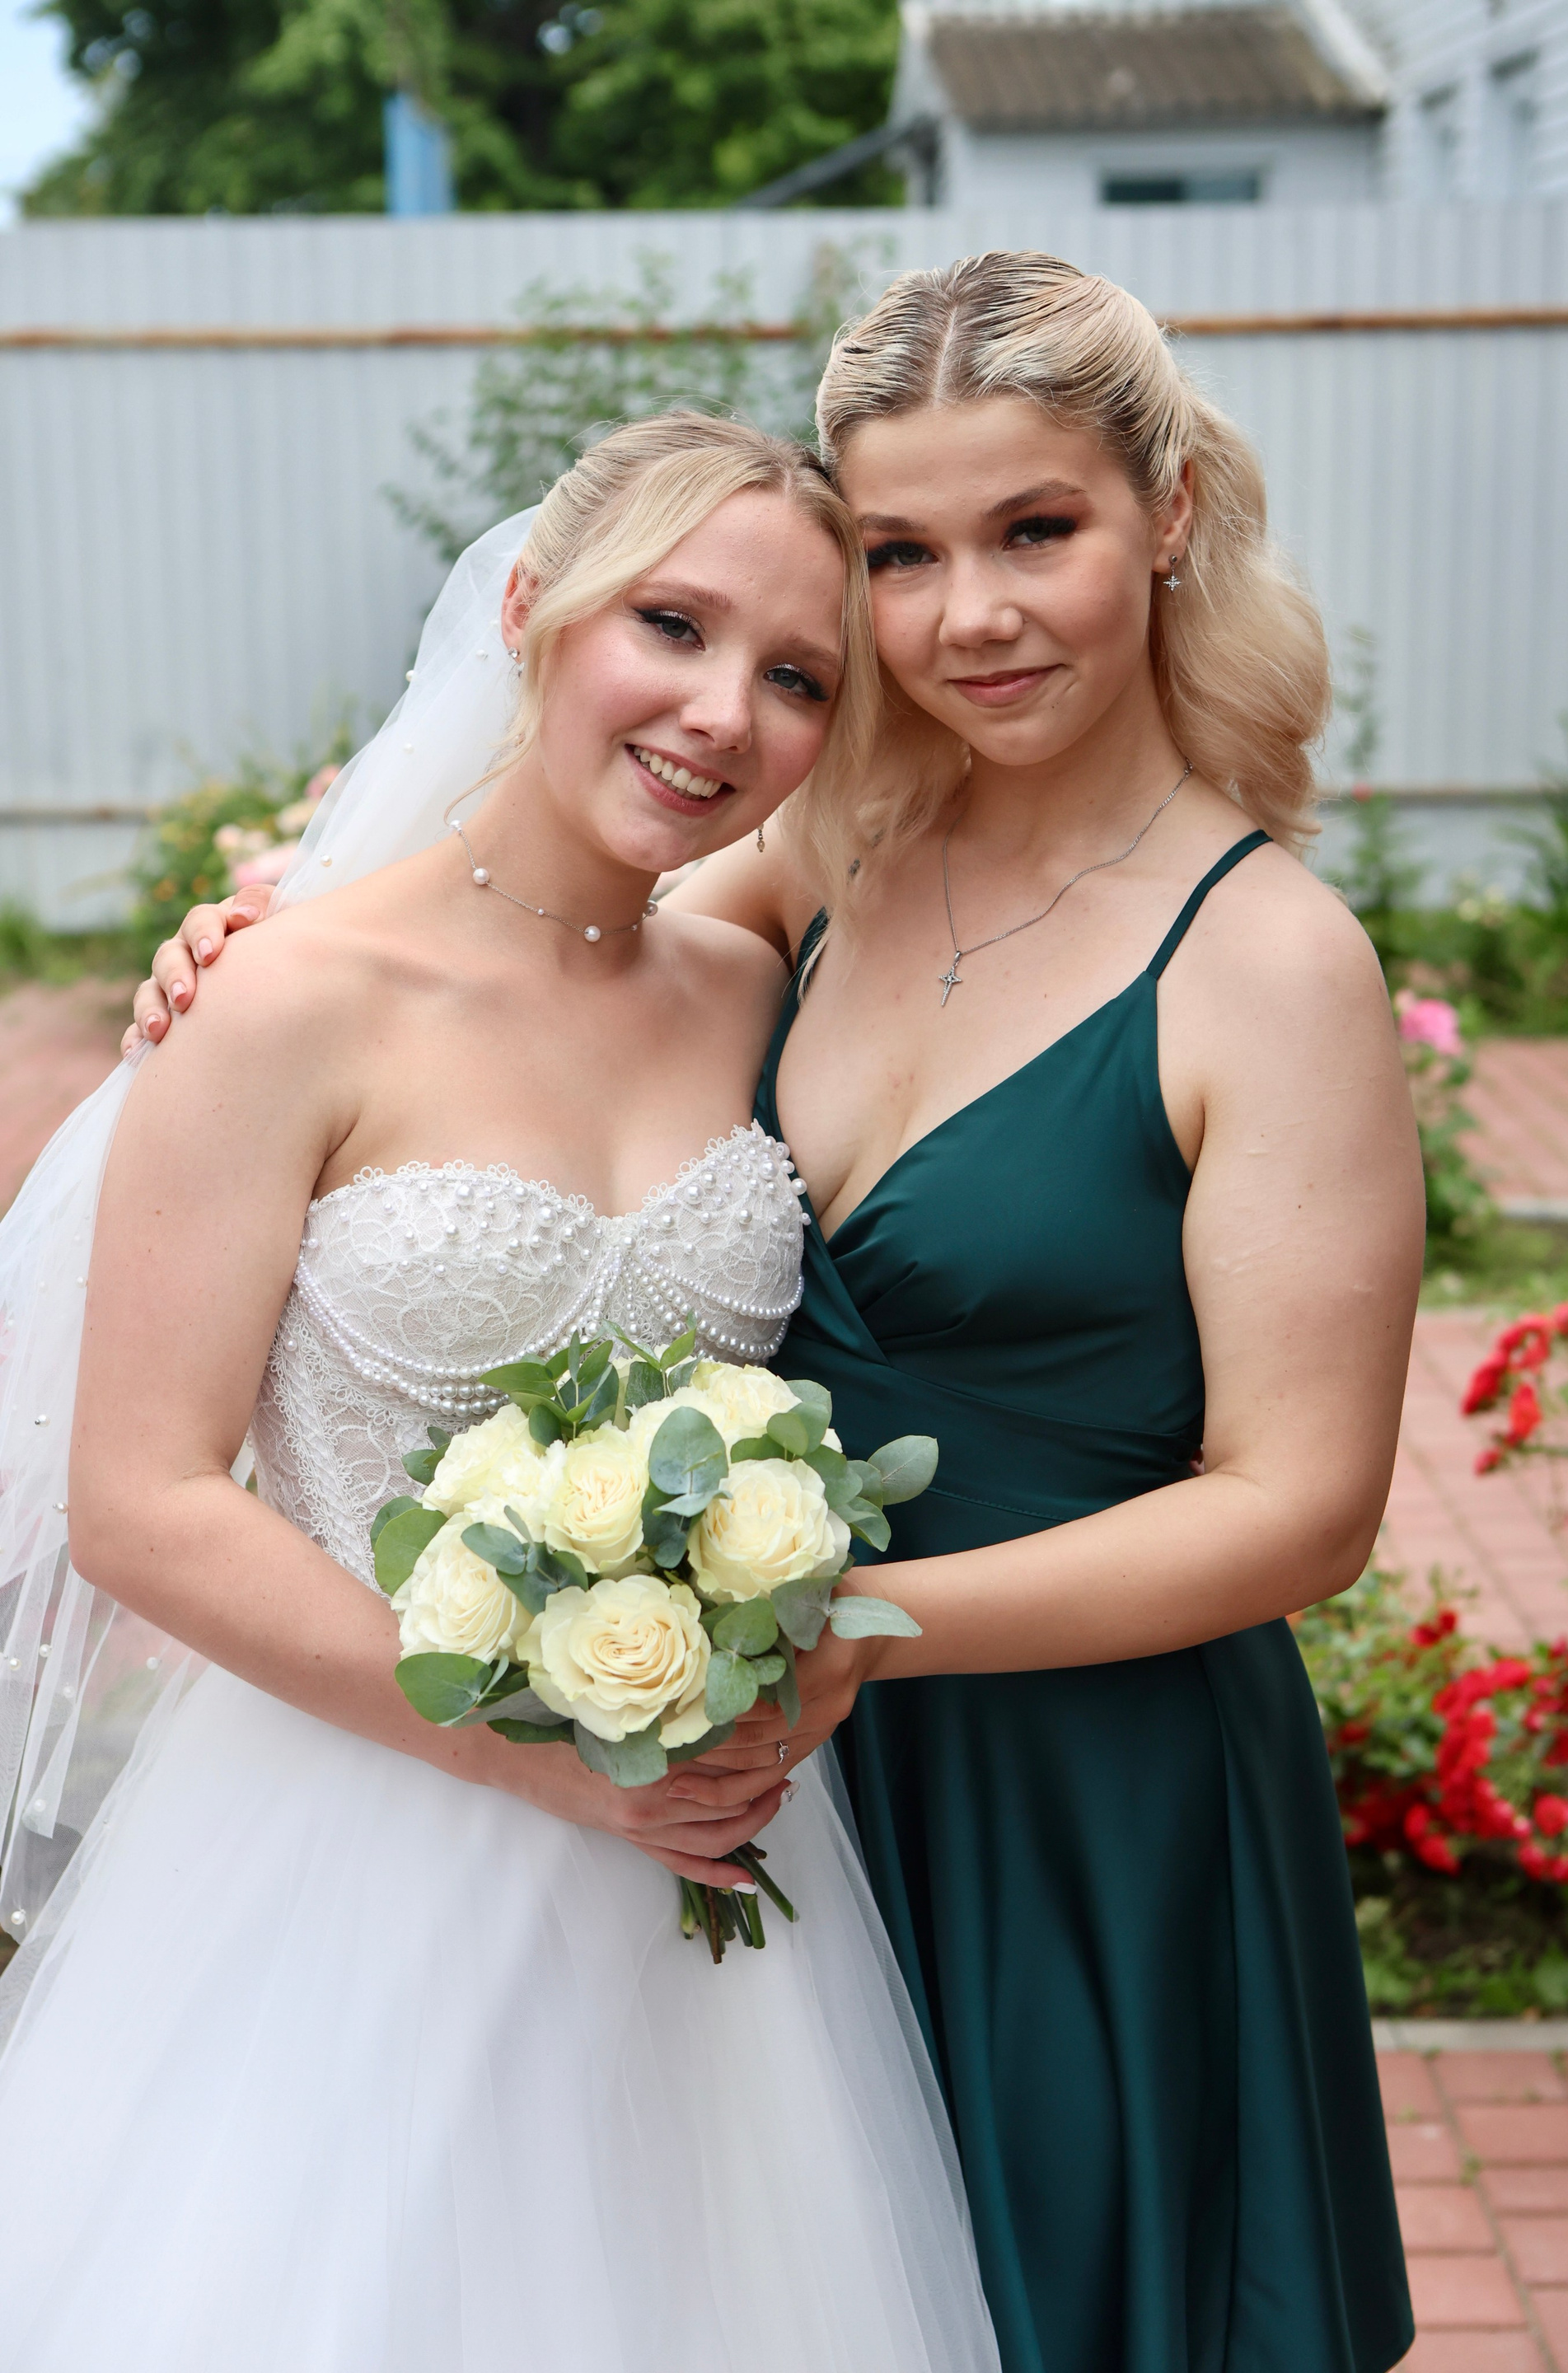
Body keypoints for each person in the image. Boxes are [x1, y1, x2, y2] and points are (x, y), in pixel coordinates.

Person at [128, 254, 1425, 2373]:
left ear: (1168, 513)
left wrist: (850, 1633)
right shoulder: (831, 859)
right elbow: (533, 960)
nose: (970, 616)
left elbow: (1303, 1508)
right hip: (766, 1777)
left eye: (1037, 531)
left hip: (1077, 1794)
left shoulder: (1267, 962)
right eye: (902, 554)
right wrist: (268, 934)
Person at [0, 413, 1003, 2373]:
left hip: (715, 1852)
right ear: (533, 608)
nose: (722, 714)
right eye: (672, 626)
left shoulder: (750, 989)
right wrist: (535, 1764)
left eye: (798, 679)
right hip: (356, 1835)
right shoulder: (282, 1001)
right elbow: (141, 1501)